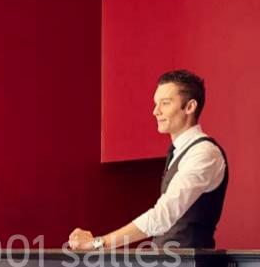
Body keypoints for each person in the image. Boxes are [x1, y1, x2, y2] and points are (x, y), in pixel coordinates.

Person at [68, 69, 228, 251]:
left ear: (190, 107)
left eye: (165, 103)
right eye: (155, 104)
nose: (155, 111)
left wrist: (98, 243)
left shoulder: (204, 153)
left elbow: (163, 216)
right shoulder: (179, 152)